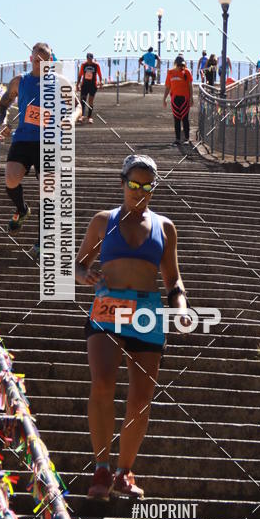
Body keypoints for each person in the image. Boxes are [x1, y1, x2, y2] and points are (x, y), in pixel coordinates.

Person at [76, 154, 190, 500]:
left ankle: (125, 471)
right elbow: (80, 265)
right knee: (103, 382)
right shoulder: (102, 221)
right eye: (133, 184)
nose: (139, 191)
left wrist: (180, 308)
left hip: (147, 311)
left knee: (141, 399)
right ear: (122, 182)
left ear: (153, 189)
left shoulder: (165, 227)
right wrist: (86, 275)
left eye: (146, 186)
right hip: (109, 306)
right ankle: (101, 467)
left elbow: (172, 279)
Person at [0, 42, 80, 254]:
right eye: (37, 59)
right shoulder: (19, 81)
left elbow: (77, 105)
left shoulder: (60, 82)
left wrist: (71, 117)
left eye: (46, 60)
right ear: (31, 59)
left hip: (51, 140)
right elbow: (2, 105)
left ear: (51, 61)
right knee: (10, 178)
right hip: (23, 138)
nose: (41, 63)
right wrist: (2, 123)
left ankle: (43, 239)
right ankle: (22, 210)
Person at [164, 56, 194, 145]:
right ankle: (177, 139)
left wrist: (191, 97)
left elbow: (190, 86)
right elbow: (168, 87)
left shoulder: (187, 72)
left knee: (185, 118)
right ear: (175, 64)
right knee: (176, 118)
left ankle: (186, 138)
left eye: (182, 65)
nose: (181, 67)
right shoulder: (170, 73)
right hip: (175, 98)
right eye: (179, 65)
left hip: (185, 98)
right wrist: (164, 98)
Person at [77, 52, 103, 124]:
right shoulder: (83, 65)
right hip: (84, 85)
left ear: (92, 59)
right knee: (83, 100)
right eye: (88, 59)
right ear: (86, 59)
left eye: (91, 59)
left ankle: (90, 117)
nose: (89, 60)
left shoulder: (96, 65)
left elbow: (100, 74)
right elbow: (80, 75)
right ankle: (82, 116)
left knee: (90, 101)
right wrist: (77, 85)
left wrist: (100, 82)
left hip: (92, 85)